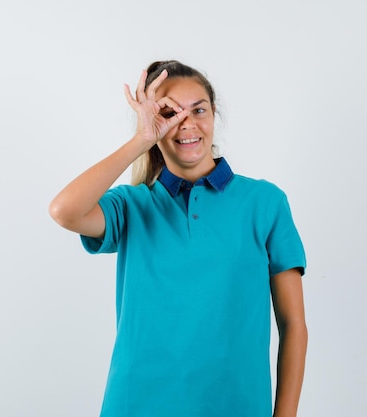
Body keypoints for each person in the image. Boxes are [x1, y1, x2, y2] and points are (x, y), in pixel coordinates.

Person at [49, 60, 307, 417]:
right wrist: (140, 141)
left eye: (199, 109)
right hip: (137, 404)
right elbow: (65, 210)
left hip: (237, 406)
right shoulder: (131, 205)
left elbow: (293, 324)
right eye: (170, 112)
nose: (187, 123)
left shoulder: (265, 203)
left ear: (214, 115)